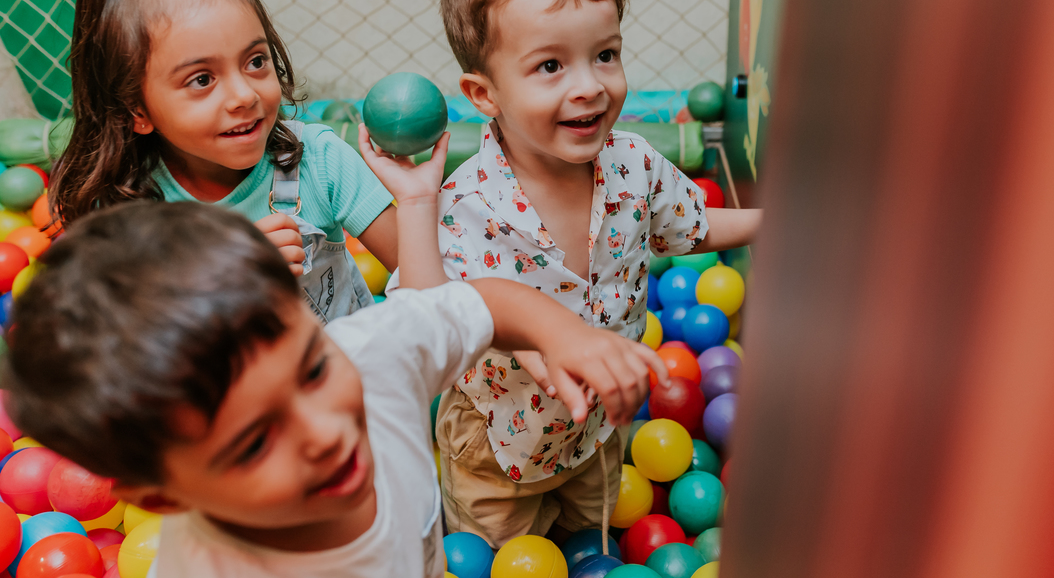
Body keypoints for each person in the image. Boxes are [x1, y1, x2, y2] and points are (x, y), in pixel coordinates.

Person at [2, 200, 663, 578]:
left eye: (313, 369)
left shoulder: (371, 356)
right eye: (256, 441)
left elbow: (481, 301)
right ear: (162, 496)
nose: (323, 430)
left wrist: (567, 335)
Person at [404, 0, 762, 547]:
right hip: (499, 442)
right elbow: (435, 308)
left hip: (598, 429)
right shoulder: (469, 203)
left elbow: (696, 227)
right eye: (550, 66)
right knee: (494, 555)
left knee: (590, 540)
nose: (590, 86)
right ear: (484, 94)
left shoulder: (633, 165)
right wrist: (534, 353)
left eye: (605, 55)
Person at [49, 0, 436, 322]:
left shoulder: (318, 161)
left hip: (352, 374)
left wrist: (417, 203)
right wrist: (221, 285)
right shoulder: (125, 209)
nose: (244, 95)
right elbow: (120, 347)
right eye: (201, 79)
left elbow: (439, 304)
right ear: (137, 110)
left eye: (255, 61)